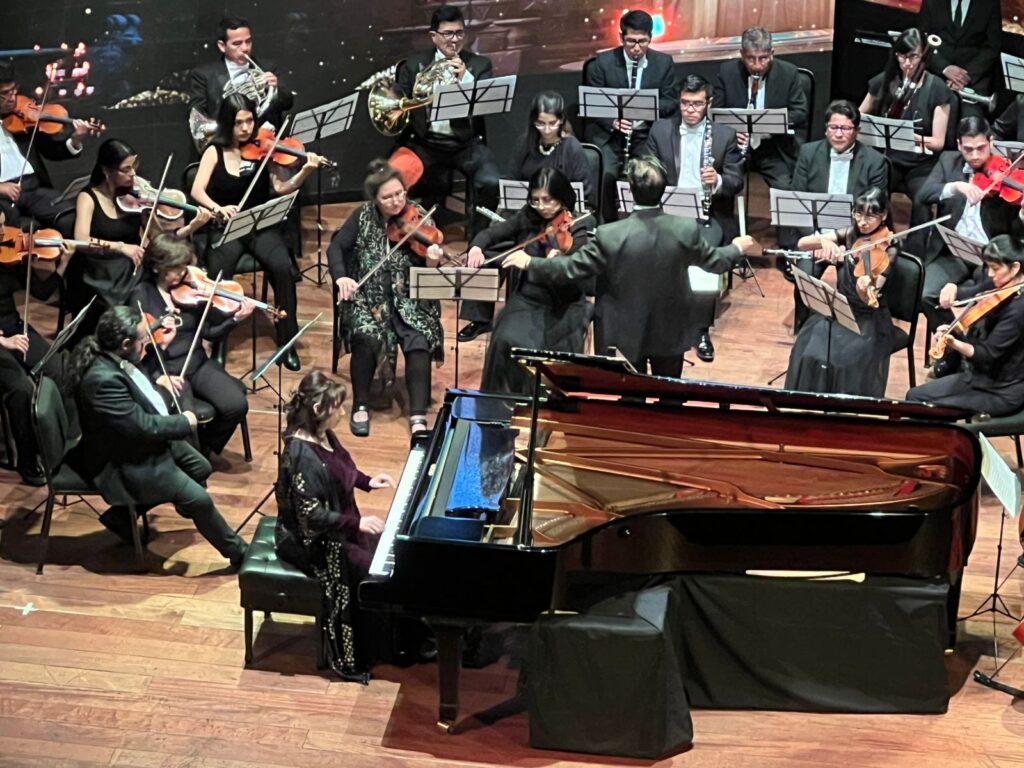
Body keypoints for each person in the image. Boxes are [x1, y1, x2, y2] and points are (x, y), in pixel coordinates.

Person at [503, 157, 758, 377]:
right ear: (663, 190)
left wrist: (530, 262)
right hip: (669, 329)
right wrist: (736, 247)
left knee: (629, 401)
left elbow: (570, 269)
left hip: (622, 333)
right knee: (670, 398)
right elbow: (715, 262)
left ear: (630, 191)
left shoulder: (609, 235)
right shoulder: (685, 229)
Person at [63, 305, 248, 566]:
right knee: (200, 500)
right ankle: (240, 554)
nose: (147, 344)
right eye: (143, 339)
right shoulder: (102, 380)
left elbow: (137, 405)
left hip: (136, 443)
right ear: (125, 344)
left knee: (200, 467)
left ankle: (121, 518)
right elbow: (144, 426)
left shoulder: (114, 356)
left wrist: (159, 346)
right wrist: (185, 421)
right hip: (123, 459)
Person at [274, 370, 394, 683]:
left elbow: (341, 468)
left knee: (387, 552)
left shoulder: (324, 435)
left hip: (340, 526)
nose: (342, 413)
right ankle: (365, 649)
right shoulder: (302, 455)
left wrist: (367, 481)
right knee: (371, 572)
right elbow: (311, 516)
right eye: (337, 407)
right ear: (318, 410)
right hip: (311, 541)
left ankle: (389, 637)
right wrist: (357, 523)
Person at [191, 94, 321, 371]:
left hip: (260, 225)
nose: (245, 128)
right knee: (219, 275)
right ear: (227, 123)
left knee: (283, 268)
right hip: (227, 228)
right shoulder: (214, 151)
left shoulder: (264, 149)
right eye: (238, 123)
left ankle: (286, 340)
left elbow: (282, 188)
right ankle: (219, 343)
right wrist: (218, 208)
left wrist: (305, 172)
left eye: (250, 121)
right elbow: (197, 190)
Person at [328, 159, 445, 437]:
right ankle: (360, 404)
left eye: (399, 193)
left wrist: (432, 260)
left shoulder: (420, 216)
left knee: (419, 339)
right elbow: (336, 248)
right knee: (366, 337)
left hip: (409, 298)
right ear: (375, 199)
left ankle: (418, 414)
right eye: (387, 197)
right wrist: (341, 277)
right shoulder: (362, 216)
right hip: (369, 298)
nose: (396, 201)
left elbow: (430, 269)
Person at [644, 73, 745, 362]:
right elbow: (647, 168)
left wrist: (718, 180)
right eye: (685, 103)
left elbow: (736, 181)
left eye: (697, 104)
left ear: (708, 103)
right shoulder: (660, 130)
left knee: (706, 257)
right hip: (667, 213)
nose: (690, 110)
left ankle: (701, 329)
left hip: (707, 215)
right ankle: (658, 320)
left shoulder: (724, 136)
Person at [465, 167, 591, 394]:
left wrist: (545, 262)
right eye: (535, 200)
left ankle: (543, 403)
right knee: (504, 339)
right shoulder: (528, 217)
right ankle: (504, 401)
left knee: (545, 350)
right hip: (529, 299)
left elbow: (575, 268)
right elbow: (492, 234)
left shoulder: (579, 224)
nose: (541, 207)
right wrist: (476, 247)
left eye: (548, 200)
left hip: (564, 304)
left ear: (562, 197)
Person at [127, 233, 250, 459]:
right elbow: (136, 348)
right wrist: (157, 377)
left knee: (236, 405)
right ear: (157, 267)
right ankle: (191, 461)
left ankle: (204, 451)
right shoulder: (141, 296)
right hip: (167, 370)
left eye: (184, 267)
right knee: (187, 420)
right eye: (176, 268)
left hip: (198, 363)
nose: (183, 273)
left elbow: (209, 333)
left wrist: (234, 320)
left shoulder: (191, 290)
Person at [70, 139, 212, 329]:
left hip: (133, 264)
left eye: (134, 166)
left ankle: (166, 330)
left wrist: (192, 227)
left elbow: (159, 239)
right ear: (106, 170)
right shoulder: (88, 197)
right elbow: (81, 240)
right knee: (139, 294)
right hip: (101, 269)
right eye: (126, 169)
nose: (133, 174)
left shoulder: (135, 196)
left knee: (165, 279)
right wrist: (120, 247)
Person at [395, 4, 500, 250]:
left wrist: (465, 79)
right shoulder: (414, 64)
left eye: (459, 33)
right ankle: (406, 239)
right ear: (434, 36)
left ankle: (478, 241)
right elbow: (400, 103)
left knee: (491, 182)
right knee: (391, 176)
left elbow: (484, 104)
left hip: (466, 144)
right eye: (448, 34)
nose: (455, 40)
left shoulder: (479, 65)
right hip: (425, 143)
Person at [784, 188, 897, 398]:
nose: (862, 222)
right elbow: (802, 244)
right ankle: (808, 402)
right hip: (840, 309)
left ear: (883, 216)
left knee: (841, 359)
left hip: (867, 318)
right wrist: (824, 242)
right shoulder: (850, 233)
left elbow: (871, 297)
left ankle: (838, 406)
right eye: (858, 214)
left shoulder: (889, 249)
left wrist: (864, 288)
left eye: (870, 216)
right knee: (806, 348)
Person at [786, 100, 889, 328]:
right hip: (816, 236)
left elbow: (874, 213)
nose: (839, 134)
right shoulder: (808, 153)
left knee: (851, 280)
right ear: (826, 129)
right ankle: (803, 330)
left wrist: (848, 245)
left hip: (854, 239)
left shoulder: (875, 162)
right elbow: (798, 202)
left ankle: (849, 330)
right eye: (833, 127)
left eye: (845, 128)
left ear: (857, 131)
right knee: (805, 275)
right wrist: (818, 240)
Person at [917, 117, 1018, 343]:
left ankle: (977, 351)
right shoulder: (947, 161)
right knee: (926, 295)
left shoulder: (1006, 171)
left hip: (990, 258)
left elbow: (1016, 228)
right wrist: (955, 187)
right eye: (968, 149)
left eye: (981, 148)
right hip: (954, 251)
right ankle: (952, 346)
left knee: (991, 304)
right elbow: (923, 195)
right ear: (959, 144)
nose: (975, 156)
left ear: (991, 142)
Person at [907, 234, 1024, 417]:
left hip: (1002, 390)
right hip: (979, 376)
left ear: (1015, 267)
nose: (990, 274)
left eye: (995, 268)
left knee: (926, 408)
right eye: (988, 267)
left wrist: (954, 342)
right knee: (913, 396)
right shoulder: (1003, 284)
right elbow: (971, 292)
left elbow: (987, 354)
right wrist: (952, 287)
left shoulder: (1018, 309)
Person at [860, 27, 952, 255]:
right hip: (890, 160)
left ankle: (915, 256)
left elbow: (938, 142)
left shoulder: (937, 88)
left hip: (922, 164)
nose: (907, 63)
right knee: (874, 193)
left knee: (922, 199)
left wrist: (911, 137)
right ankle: (885, 244)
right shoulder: (885, 81)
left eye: (913, 57)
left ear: (923, 56)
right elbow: (857, 117)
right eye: (902, 56)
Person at [582, 9, 678, 223]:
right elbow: (593, 104)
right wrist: (614, 122)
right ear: (621, 37)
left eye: (642, 41)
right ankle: (605, 226)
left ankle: (647, 225)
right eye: (631, 41)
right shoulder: (602, 63)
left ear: (650, 37)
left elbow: (671, 102)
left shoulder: (663, 63)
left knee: (650, 175)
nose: (636, 48)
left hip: (645, 134)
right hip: (610, 135)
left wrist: (645, 108)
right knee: (605, 175)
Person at [0, 212, 65, 485]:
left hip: (12, 325)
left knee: (57, 368)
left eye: (2, 224)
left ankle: (60, 447)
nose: (4, 233)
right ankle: (27, 459)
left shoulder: (7, 252)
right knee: (21, 390)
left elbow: (41, 292)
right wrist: (3, 342)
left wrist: (56, 264)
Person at [0, 63, 98, 231]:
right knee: (13, 229)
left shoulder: (24, 117)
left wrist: (75, 139)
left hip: (32, 187)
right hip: (2, 196)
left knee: (69, 219)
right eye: (4, 93)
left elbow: (51, 151)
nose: (12, 98)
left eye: (14, 90)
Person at [714, 26, 808, 191]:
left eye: (763, 58)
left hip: (773, 148)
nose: (757, 66)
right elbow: (716, 113)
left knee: (785, 188)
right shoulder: (727, 72)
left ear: (772, 53)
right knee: (721, 183)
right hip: (735, 148)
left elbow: (800, 111)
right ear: (742, 54)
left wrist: (772, 124)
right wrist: (732, 133)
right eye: (751, 58)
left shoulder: (788, 73)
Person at [188, 16, 294, 135]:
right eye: (237, 44)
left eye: (248, 41)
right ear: (222, 46)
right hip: (226, 141)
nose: (245, 48)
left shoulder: (268, 67)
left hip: (266, 139)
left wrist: (275, 89)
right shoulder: (203, 75)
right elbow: (197, 115)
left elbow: (288, 103)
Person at [918, 0, 1001, 119]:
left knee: (971, 123)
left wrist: (963, 76)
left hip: (973, 81)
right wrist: (944, 68)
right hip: (936, 74)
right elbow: (922, 39)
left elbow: (992, 47)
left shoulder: (989, 3)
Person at [512, 91, 594, 209]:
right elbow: (512, 179)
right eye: (540, 123)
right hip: (529, 210)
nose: (547, 130)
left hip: (563, 213)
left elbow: (585, 191)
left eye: (552, 123)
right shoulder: (524, 143)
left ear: (561, 120)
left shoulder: (572, 147)